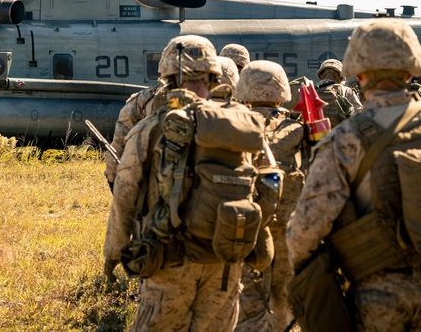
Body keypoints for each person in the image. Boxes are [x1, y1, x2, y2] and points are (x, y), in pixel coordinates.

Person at [287, 19, 421, 331]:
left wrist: (303, 274)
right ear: (411, 69)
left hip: (374, 297)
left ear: (358, 73)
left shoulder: (345, 138)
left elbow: (308, 225)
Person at [103, 35, 262, 331]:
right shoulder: (240, 126)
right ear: (214, 75)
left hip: (169, 261)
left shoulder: (150, 128)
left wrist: (114, 253)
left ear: (168, 76)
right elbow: (263, 187)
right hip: (225, 263)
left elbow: (124, 195)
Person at [234, 61, 305, 332]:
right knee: (283, 298)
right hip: (288, 231)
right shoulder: (300, 129)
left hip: (246, 228)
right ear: (283, 92)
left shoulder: (232, 126)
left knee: (247, 301)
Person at [103, 37, 227, 191]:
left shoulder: (142, 104)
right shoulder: (237, 115)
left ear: (167, 72)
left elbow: (118, 149)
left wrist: (114, 182)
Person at [315, 58, 364, 126]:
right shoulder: (346, 91)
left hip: (317, 134)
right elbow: (360, 115)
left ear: (321, 75)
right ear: (340, 77)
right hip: (340, 134)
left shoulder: (311, 91)